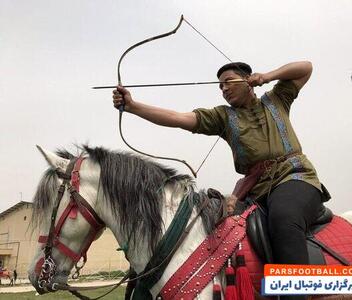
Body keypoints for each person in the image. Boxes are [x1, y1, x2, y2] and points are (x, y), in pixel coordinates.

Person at [113, 61, 329, 300]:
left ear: (247, 81)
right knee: (215, 226)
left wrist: (267, 76)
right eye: (220, 86)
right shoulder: (223, 117)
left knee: (284, 218)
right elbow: (177, 117)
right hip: (255, 191)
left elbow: (306, 67)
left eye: (228, 82)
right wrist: (133, 106)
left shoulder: (277, 99)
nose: (223, 89)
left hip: (295, 177)